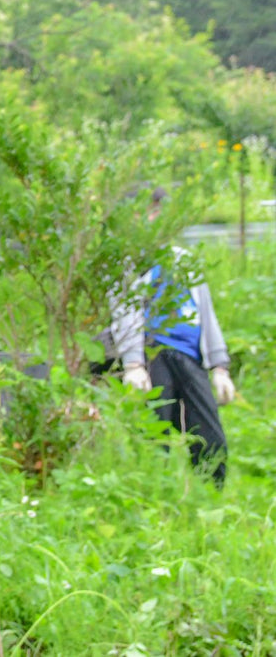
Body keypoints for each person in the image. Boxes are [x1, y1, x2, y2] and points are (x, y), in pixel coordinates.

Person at [109, 186, 237, 486]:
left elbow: (207, 314)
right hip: (154, 352)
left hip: (190, 356)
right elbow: (123, 313)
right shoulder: (127, 261)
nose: (154, 216)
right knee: (156, 431)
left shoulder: (184, 260)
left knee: (210, 434)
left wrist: (220, 367)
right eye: (147, 210)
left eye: (158, 210)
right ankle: (155, 495)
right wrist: (133, 364)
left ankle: (212, 493)